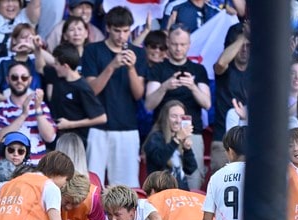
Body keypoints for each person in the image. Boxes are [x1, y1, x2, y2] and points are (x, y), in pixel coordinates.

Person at [81, 6, 148, 187]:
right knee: (92, 187)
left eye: (126, 31)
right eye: (117, 31)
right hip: (97, 128)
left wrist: (131, 68)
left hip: (127, 128)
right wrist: (111, 66)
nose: (121, 36)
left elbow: (138, 94)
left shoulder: (139, 54)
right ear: (108, 28)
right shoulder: (92, 51)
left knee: (126, 189)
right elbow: (92, 90)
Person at [145, 25, 211, 190]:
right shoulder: (158, 69)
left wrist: (193, 86)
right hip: (164, 133)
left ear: (189, 44)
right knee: (161, 182)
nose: (178, 48)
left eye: (182, 44)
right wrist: (165, 86)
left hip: (191, 133)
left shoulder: (198, 69)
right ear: (168, 42)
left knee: (192, 179)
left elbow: (207, 104)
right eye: (174, 44)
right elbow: (149, 104)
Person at [0, 60, 56, 165]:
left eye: (24, 77)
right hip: (7, 171)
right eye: (14, 77)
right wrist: (23, 115)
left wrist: (38, 109)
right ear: (7, 80)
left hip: (36, 169)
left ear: (30, 80)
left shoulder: (41, 105)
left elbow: (50, 137)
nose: (19, 81)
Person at [49, 43, 107, 147]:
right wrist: (37, 48)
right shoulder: (58, 78)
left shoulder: (82, 87)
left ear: (65, 66)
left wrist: (70, 124)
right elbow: (41, 66)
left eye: (56, 64)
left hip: (77, 142)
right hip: (58, 139)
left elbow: (101, 118)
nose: (54, 66)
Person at [210, 22, 249, 174]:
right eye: (241, 46)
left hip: (251, 142)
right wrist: (244, 37)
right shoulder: (225, 69)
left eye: (248, 45)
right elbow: (220, 63)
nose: (245, 49)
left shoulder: (258, 71)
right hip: (222, 142)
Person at [142, 100, 197, 191]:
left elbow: (191, 169)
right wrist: (176, 140)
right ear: (165, 118)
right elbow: (159, 160)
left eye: (181, 117)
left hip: (180, 193)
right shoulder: (155, 137)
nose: (178, 121)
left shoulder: (180, 138)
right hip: (161, 192)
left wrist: (187, 149)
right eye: (174, 116)